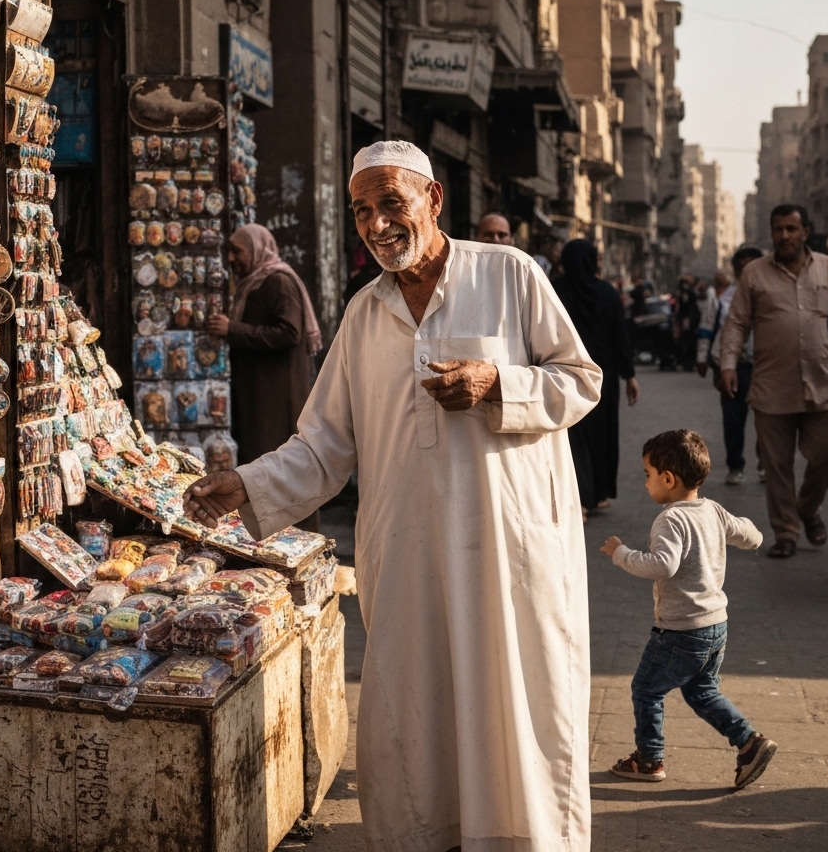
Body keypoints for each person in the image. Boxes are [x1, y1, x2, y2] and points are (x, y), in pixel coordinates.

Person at [184, 140, 601, 852]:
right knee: (414, 723)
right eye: (362, 210)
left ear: (433, 201)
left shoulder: (508, 274)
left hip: (507, 556)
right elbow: (323, 445)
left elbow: (579, 378)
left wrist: (499, 383)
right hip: (408, 560)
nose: (376, 224)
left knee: (516, 722)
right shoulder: (365, 314)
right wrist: (245, 484)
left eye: (391, 204)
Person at [599, 430, 776, 789]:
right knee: (702, 692)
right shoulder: (711, 509)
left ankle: (648, 759)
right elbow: (750, 535)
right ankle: (749, 743)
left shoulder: (671, 519)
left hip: (681, 631)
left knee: (646, 690)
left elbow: (662, 565)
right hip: (716, 625)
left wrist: (621, 554)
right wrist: (753, 535)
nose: (646, 482)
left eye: (648, 474)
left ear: (668, 479)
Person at [718, 205, 828, 559]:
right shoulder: (755, 273)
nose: (784, 235)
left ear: (806, 231)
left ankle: (808, 507)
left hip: (822, 380)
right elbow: (738, 322)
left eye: (791, 228)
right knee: (777, 465)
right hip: (773, 384)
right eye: (778, 229)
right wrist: (728, 363)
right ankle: (786, 531)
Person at [206, 223, 323, 527]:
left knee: (283, 473)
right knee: (263, 474)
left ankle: (300, 543)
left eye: (237, 250)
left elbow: (289, 332)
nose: (231, 258)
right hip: (260, 398)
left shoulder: (278, 282)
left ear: (257, 249)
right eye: (229, 251)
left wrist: (233, 329)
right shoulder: (255, 282)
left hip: (276, 399)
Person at [553, 239, 640, 515]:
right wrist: (630, 376)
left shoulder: (556, 292)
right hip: (603, 376)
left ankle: (581, 498)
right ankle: (598, 493)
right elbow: (620, 338)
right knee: (601, 434)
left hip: (567, 372)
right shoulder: (607, 293)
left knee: (574, 437)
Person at [697, 248, 764, 485]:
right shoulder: (723, 298)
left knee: (767, 419)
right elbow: (707, 328)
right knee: (734, 419)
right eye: (742, 267)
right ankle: (735, 465)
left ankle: (765, 462)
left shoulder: (770, 294)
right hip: (732, 366)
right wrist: (703, 357)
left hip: (765, 366)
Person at [672, 273, 700, 371]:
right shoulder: (685, 291)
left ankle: (689, 362)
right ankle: (687, 362)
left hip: (689, 318)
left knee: (689, 341)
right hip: (687, 318)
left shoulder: (689, 291)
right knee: (687, 341)